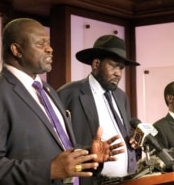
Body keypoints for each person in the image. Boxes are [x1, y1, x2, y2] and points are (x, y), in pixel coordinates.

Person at [0, 18, 125, 185]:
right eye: (41, 44)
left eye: (48, 43)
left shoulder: (48, 90)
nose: (49, 49)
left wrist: (88, 154)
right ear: (16, 50)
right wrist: (49, 170)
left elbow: (57, 149)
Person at [57, 35, 141, 183]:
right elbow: (57, 140)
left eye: (121, 68)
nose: (118, 73)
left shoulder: (121, 96)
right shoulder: (69, 93)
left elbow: (126, 133)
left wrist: (134, 139)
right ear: (96, 63)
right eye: (113, 66)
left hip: (127, 179)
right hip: (91, 180)